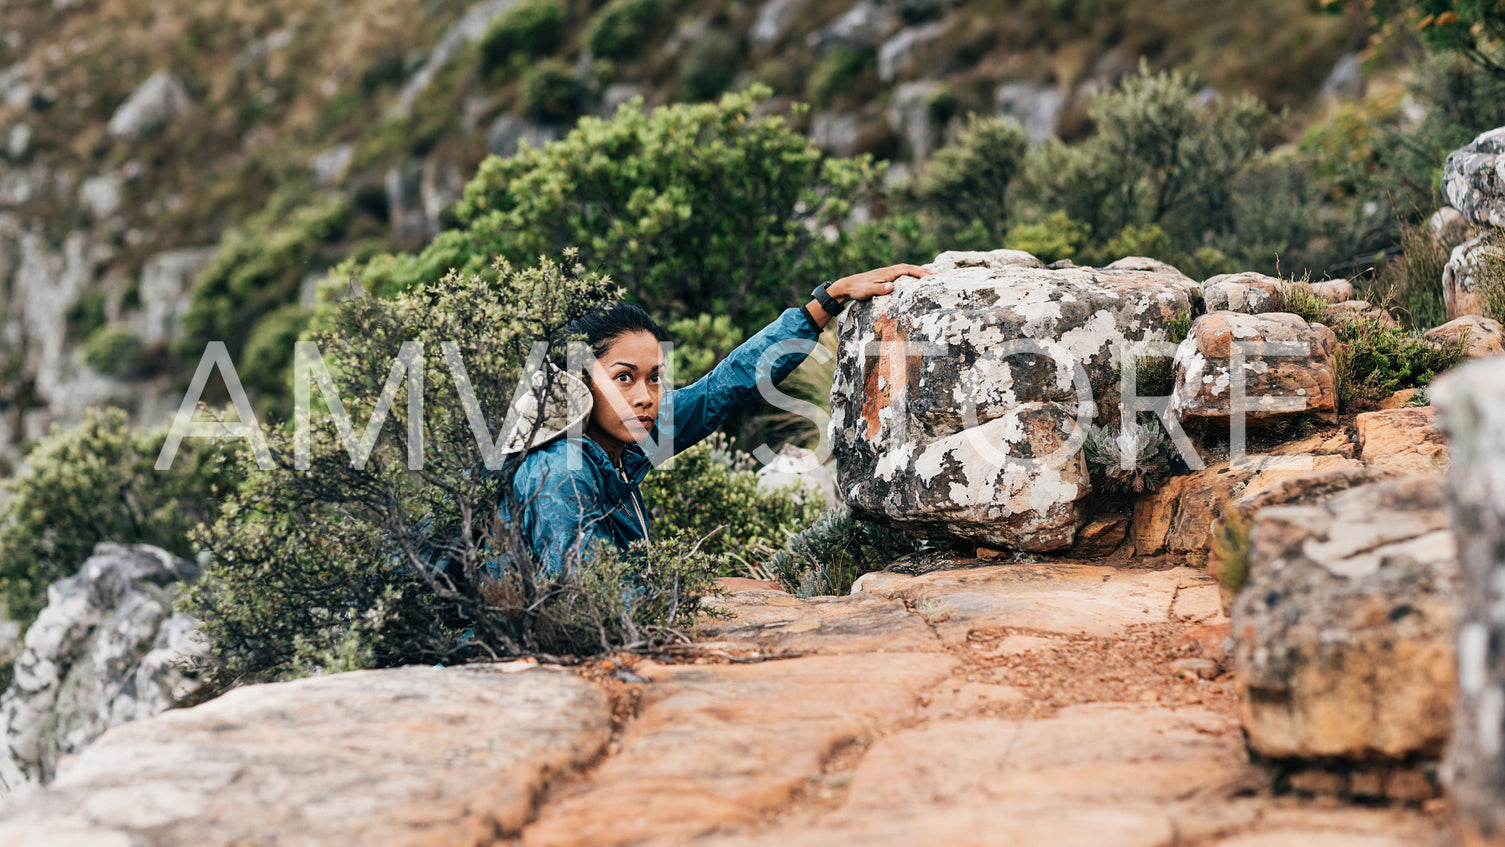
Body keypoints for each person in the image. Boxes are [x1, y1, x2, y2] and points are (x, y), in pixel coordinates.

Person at [502, 263, 933, 576]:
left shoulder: (627, 440)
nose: (644, 397)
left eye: (654, 378)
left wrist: (827, 300)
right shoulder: (559, 470)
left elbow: (724, 387)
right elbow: (592, 595)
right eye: (622, 378)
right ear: (580, 383)